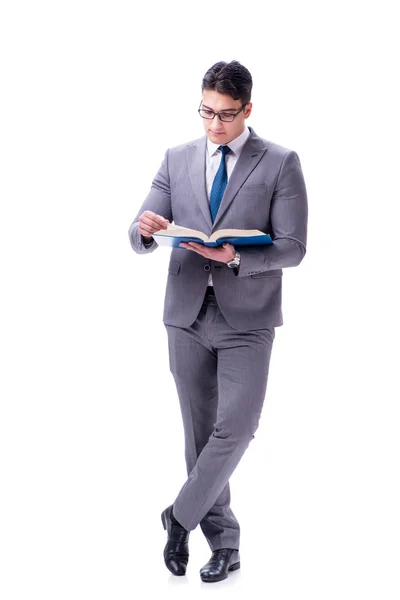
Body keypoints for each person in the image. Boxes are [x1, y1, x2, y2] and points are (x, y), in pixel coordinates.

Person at [128, 60, 308, 583]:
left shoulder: (279, 162)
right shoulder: (176, 158)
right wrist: (144, 229)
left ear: (247, 109)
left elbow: (294, 248)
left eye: (226, 115)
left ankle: (178, 517)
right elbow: (140, 231)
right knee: (198, 432)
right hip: (184, 315)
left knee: (238, 427)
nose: (214, 126)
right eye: (206, 112)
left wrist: (235, 257)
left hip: (247, 318)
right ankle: (224, 544)